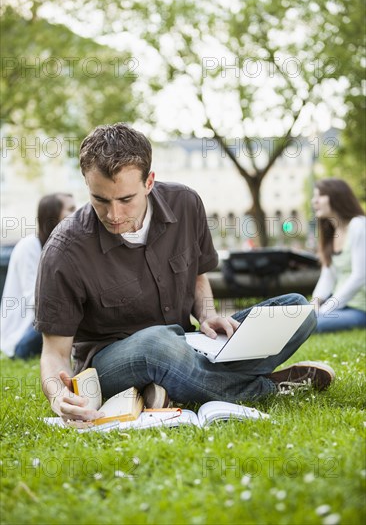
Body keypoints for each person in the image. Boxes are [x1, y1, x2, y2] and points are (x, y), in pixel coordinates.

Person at [35, 123, 335, 425]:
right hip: (110, 363)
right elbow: (53, 353)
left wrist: (207, 315)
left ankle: (165, 389)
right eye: (100, 199)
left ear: (149, 181)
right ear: (87, 185)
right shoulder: (64, 250)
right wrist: (57, 395)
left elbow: (196, 275)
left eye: (126, 199)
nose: (113, 215)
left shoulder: (186, 204)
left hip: (189, 344)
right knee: (157, 345)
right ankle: (267, 386)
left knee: (295, 309)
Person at [0, 193, 76, 358]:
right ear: (53, 215)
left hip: (45, 324)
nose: (76, 214)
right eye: (70, 209)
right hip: (22, 336)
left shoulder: (65, 248)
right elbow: (34, 300)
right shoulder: (29, 246)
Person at [310, 178, 366, 332]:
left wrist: (326, 308)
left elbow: (360, 276)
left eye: (319, 196)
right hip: (339, 307)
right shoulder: (331, 232)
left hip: (360, 309)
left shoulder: (358, 225)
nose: (314, 201)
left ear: (336, 196)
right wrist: (315, 303)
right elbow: (328, 275)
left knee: (312, 326)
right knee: (304, 322)